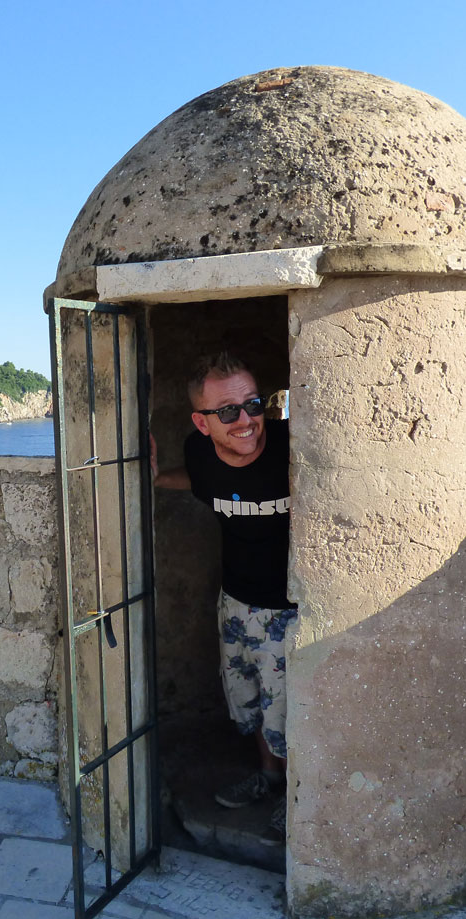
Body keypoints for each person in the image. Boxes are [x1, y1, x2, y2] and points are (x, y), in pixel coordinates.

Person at [152, 352, 296, 846]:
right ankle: (269, 779)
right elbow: (202, 482)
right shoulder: (199, 454)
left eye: (253, 405)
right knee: (251, 702)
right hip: (235, 604)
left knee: (290, 713)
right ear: (202, 422)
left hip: (292, 609)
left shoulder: (292, 447)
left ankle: (295, 801)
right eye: (228, 411)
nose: (246, 421)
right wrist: (153, 478)